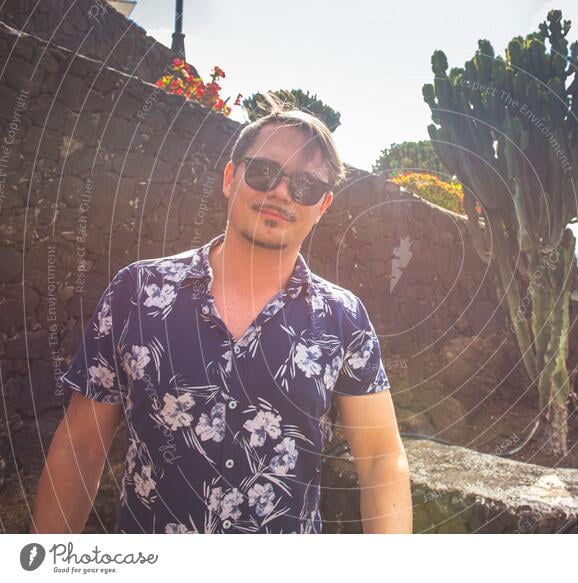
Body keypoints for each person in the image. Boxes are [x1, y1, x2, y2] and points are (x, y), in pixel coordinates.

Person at [30, 95, 412, 534]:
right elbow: (81, 447)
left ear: (321, 207)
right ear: (231, 177)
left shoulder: (343, 319)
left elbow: (382, 458)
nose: (283, 193)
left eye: (305, 187)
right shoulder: (137, 292)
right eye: (265, 172)